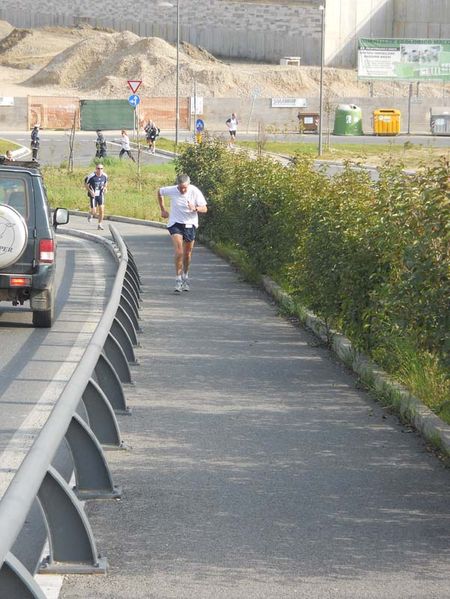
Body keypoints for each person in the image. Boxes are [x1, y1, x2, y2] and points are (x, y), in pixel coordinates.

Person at [157, 174, 207, 293]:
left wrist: (195, 208)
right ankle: (178, 279)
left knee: (187, 253)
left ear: (188, 185)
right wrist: (163, 209)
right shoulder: (172, 190)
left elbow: (205, 208)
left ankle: (185, 276)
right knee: (179, 251)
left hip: (190, 224)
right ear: (177, 185)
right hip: (175, 224)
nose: (182, 190)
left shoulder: (195, 191)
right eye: (180, 188)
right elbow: (159, 192)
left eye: (184, 188)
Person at [85, 164, 108, 230]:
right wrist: (90, 191)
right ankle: (90, 213)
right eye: (98, 168)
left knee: (102, 209)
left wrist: (105, 188)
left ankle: (100, 224)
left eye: (101, 168)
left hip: (100, 195)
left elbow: (106, 183)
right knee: (94, 212)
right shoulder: (91, 176)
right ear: (96, 169)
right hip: (93, 195)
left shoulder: (105, 176)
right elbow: (86, 184)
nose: (100, 170)